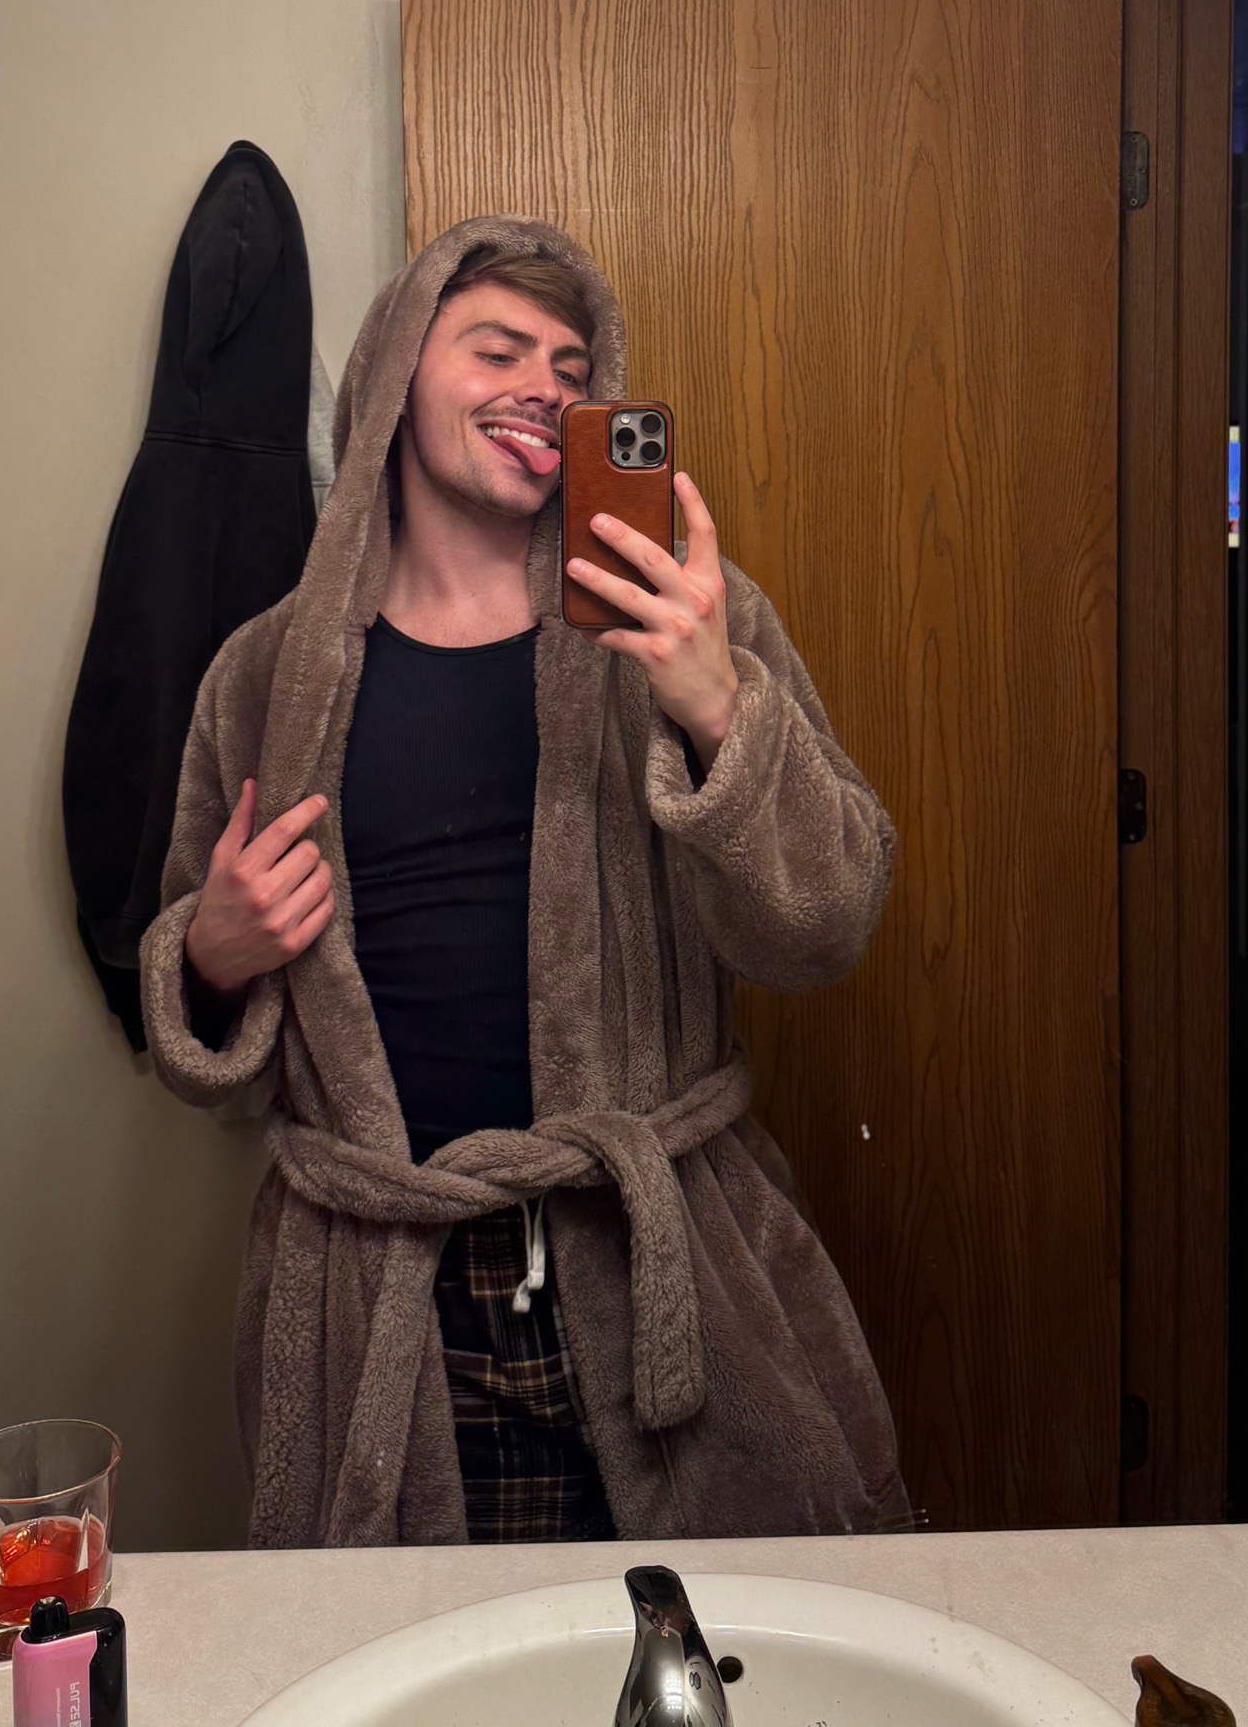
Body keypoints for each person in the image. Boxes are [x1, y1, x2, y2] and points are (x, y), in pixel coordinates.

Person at [142, 216, 907, 1547]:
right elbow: (211, 1066)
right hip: (384, 1304)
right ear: (396, 375)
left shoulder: (684, 616)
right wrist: (209, 957)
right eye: (497, 351)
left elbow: (829, 923)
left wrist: (718, 708)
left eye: (570, 366)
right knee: (409, 1656)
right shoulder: (267, 675)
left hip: (658, 1266)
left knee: (724, 1643)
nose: (543, 387)